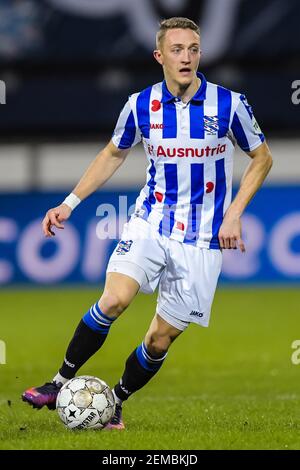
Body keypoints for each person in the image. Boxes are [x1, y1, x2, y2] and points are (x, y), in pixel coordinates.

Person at [22, 17, 272, 429]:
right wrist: (69, 203)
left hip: (203, 239)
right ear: (160, 56)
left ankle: (114, 401)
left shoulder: (229, 104)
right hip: (150, 222)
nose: (186, 57)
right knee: (115, 299)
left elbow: (262, 157)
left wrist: (234, 213)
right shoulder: (141, 104)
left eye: (193, 48)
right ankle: (57, 382)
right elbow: (113, 153)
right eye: (177, 49)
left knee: (159, 340)